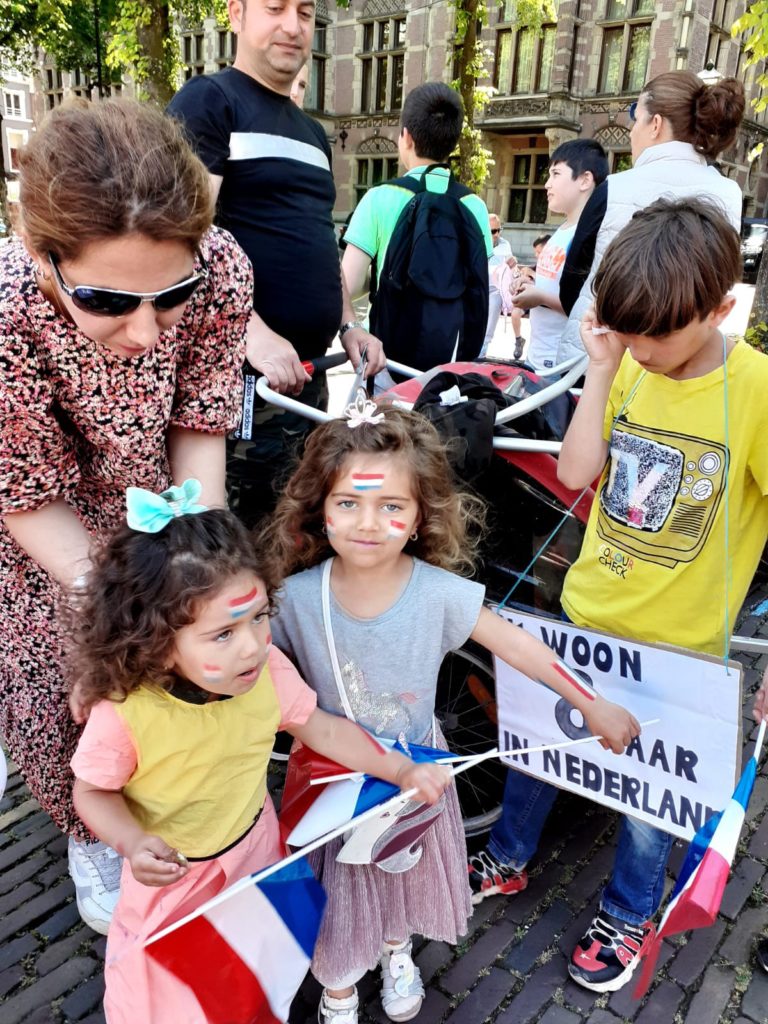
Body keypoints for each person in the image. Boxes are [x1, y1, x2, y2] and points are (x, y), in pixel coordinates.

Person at [469, 197, 768, 995]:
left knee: (649, 801)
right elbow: (575, 473)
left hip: (679, 643)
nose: (640, 349)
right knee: (540, 745)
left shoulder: (757, 390)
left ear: (719, 307)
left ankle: (630, 910)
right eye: (627, 334)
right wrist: (604, 368)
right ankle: (508, 856)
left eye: (653, 338)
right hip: (587, 611)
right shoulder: (631, 360)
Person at [264, 403, 640, 1024]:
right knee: (338, 892)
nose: (369, 523)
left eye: (392, 506)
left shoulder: (437, 593)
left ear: (418, 517)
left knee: (399, 875)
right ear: (320, 509)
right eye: (349, 503)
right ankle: (337, 986)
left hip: (418, 775)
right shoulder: (294, 599)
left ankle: (395, 949)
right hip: (332, 781)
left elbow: (521, 647)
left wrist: (590, 703)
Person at [0, 99, 253, 935]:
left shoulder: (223, 271)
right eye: (109, 299)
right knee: (66, 685)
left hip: (162, 503)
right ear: (45, 259)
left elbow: (198, 426)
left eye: (170, 294)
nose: (148, 333)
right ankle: (92, 828)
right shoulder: (5, 320)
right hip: (44, 533)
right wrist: (118, 609)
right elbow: (29, 497)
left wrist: (199, 572)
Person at [68, 491, 448, 1024]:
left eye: (258, 618)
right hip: (175, 883)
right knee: (170, 997)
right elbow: (92, 790)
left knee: (253, 980)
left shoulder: (268, 670)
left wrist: (398, 768)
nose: (251, 646)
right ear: (155, 641)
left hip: (255, 857)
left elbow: (321, 729)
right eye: (223, 633)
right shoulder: (127, 714)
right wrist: (130, 842)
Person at [167, 0, 384, 527]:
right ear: (236, 14)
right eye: (275, 8)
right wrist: (249, 332)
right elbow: (179, 238)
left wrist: (349, 325)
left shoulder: (313, 134)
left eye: (306, 13)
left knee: (296, 527)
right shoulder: (209, 102)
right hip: (238, 381)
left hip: (305, 380)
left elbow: (316, 240)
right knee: (235, 537)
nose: (293, 26)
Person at [557, 70, 744, 364]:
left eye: (636, 116)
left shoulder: (615, 187)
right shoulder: (729, 193)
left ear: (655, 124)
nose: (631, 130)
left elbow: (573, 277)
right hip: (681, 359)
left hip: (599, 348)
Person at [341, 82, 493, 375]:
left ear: (406, 137)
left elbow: (346, 286)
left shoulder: (379, 197)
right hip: (450, 364)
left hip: (386, 360)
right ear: (453, 142)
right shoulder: (474, 205)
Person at [511, 139, 607, 373]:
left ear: (585, 180)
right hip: (539, 355)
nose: (546, 184)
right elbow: (556, 284)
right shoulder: (563, 228)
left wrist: (540, 297)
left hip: (562, 363)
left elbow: (590, 306)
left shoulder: (591, 235)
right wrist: (529, 284)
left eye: (555, 174)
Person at [481, 213, 525, 360]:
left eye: (499, 230)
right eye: (493, 231)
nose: (497, 234)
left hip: (495, 291)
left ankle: (480, 357)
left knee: (488, 330)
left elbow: (511, 268)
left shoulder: (505, 244)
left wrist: (514, 269)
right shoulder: (477, 242)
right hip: (477, 290)